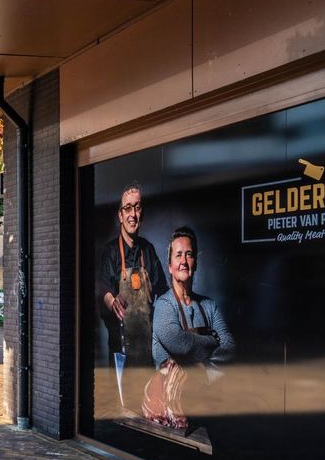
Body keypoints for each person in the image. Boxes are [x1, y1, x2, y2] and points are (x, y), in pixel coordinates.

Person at [144, 226, 235, 430]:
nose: (184, 261)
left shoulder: (209, 305)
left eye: (189, 255)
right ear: (169, 266)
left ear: (195, 262)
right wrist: (213, 340)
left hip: (207, 408)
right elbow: (181, 343)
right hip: (170, 417)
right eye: (178, 255)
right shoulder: (163, 306)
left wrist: (204, 370)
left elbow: (230, 346)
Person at [97, 182, 168, 408]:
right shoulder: (110, 252)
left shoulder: (148, 250)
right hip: (121, 348)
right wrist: (112, 300)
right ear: (120, 215)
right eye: (128, 208)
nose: (133, 214)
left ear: (142, 214)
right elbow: (104, 287)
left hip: (147, 348)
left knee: (147, 405)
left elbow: (164, 291)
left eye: (137, 208)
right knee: (123, 407)